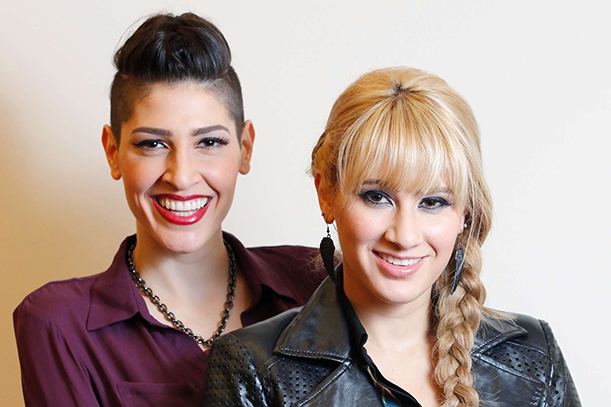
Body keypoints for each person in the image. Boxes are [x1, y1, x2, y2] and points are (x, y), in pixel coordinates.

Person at [203, 67, 581, 407]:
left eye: (433, 202)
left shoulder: (534, 357)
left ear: (465, 213)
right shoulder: (253, 367)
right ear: (326, 194)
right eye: (376, 197)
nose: (404, 235)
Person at [13, 13, 326, 407]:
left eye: (209, 142)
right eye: (152, 144)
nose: (181, 176)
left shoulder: (318, 283)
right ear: (113, 152)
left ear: (245, 148)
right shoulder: (58, 324)